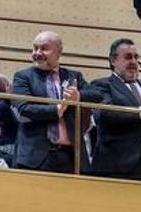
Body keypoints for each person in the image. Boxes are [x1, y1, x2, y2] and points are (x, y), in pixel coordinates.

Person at [83, 38, 141, 180]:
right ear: (113, 61)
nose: (133, 62)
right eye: (128, 57)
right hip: (117, 163)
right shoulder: (101, 85)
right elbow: (106, 115)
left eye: (136, 57)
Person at [11, 31, 90, 173]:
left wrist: (78, 96)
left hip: (71, 157)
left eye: (44, 48)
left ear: (59, 52)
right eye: (35, 48)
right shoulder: (22, 77)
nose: (37, 53)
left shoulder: (74, 76)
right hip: (34, 158)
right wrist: (58, 108)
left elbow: (96, 95)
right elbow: (24, 108)